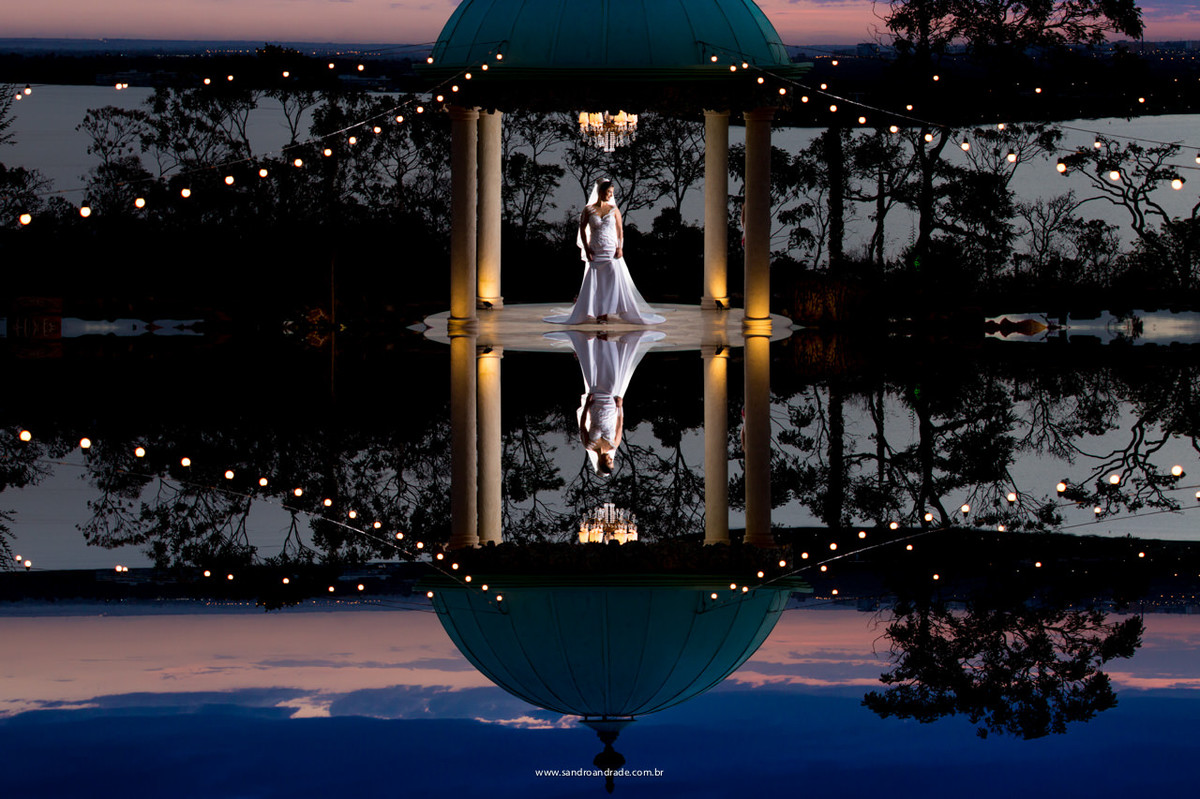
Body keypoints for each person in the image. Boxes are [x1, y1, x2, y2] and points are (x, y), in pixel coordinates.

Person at [543, 181, 665, 325]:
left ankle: (608, 313)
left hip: (610, 250)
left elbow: (620, 230)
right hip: (595, 250)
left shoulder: (614, 209)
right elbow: (582, 230)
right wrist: (587, 249)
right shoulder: (588, 210)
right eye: (609, 192)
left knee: (611, 283)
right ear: (600, 192)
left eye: (612, 193)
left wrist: (620, 248)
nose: (611, 195)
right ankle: (598, 313)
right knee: (596, 284)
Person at [544, 328, 664, 474]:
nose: (610, 459)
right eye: (612, 461)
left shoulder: (589, 446)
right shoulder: (614, 445)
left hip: (595, 403)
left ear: (600, 462)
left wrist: (587, 404)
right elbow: (619, 425)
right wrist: (620, 406)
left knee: (595, 369)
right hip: (611, 404)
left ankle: (596, 339)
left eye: (608, 462)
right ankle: (608, 338)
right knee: (611, 371)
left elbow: (582, 426)